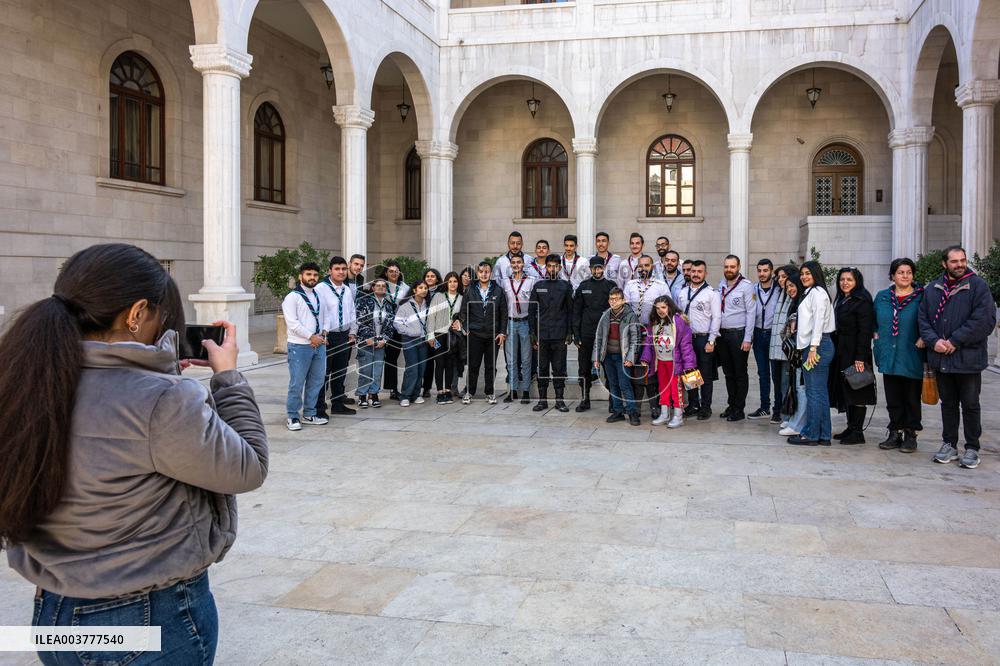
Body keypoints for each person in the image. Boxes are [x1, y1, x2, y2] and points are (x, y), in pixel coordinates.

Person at [0, 244, 266, 663]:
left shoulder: (21, 379)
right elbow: (248, 467)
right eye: (163, 318)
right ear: (137, 313)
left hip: (55, 614)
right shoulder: (162, 400)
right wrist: (228, 377)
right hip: (145, 614)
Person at [919, 245, 997, 469]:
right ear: (945, 264)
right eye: (954, 261)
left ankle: (972, 447)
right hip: (942, 358)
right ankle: (949, 444)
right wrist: (935, 341)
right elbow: (923, 319)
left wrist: (955, 341)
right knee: (948, 404)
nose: (960, 265)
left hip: (968, 359)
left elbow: (984, 320)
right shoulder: (933, 288)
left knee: (971, 404)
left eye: (962, 260)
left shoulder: (978, 286)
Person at [873, 258, 925, 453]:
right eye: (901, 272)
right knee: (893, 397)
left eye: (908, 272)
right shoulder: (883, 296)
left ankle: (911, 433)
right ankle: (895, 431)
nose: (905, 276)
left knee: (911, 397)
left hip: (910, 353)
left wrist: (923, 337)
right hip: (888, 353)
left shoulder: (921, 297)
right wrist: (876, 334)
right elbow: (872, 318)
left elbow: (930, 319)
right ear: (893, 275)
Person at [787, 260, 836, 446]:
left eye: (808, 273)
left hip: (818, 346)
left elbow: (818, 323)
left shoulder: (818, 293)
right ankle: (823, 434)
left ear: (816, 274)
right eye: (802, 273)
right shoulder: (810, 293)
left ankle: (811, 434)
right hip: (815, 345)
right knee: (819, 392)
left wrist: (813, 348)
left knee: (814, 392)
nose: (804, 277)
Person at [830, 267, 877, 445]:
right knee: (848, 390)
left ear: (857, 281)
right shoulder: (843, 299)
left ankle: (857, 432)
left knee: (858, 390)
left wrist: (860, 357)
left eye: (849, 279)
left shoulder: (862, 300)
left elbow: (865, 332)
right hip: (843, 351)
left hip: (856, 353)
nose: (845, 283)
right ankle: (850, 427)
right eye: (842, 279)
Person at [284, 262, 329, 430]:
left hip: (319, 344)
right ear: (300, 276)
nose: (312, 278)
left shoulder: (318, 295)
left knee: (316, 381)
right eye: (309, 274)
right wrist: (311, 337)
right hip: (300, 346)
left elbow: (326, 316)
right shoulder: (292, 297)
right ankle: (293, 416)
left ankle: (310, 413)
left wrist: (323, 333)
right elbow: (292, 323)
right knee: (297, 382)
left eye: (315, 275)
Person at [641, 295, 696, 428]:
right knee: (662, 388)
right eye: (658, 308)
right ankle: (664, 414)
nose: (660, 310)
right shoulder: (654, 323)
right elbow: (649, 342)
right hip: (660, 361)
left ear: (670, 307)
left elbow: (686, 345)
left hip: (674, 362)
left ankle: (678, 415)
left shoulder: (678, 322)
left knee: (675, 389)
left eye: (663, 307)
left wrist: (689, 365)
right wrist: (645, 358)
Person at [676, 259, 721, 420]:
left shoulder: (712, 293)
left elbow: (716, 318)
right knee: (690, 372)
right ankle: (694, 403)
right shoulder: (682, 292)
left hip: (703, 339)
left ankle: (706, 407)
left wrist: (711, 340)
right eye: (693, 271)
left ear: (705, 273)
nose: (695, 274)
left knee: (706, 375)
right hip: (687, 340)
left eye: (699, 271)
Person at [530, 254, 574, 412]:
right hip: (542, 334)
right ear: (546, 267)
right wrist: (532, 334)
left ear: (560, 268)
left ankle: (559, 400)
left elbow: (571, 310)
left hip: (560, 334)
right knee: (542, 368)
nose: (552, 268)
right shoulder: (538, 285)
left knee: (559, 368)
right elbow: (532, 311)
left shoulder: (566, 286)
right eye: (549, 266)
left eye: (555, 266)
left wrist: (570, 332)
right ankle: (542, 401)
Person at [459, 262, 508, 404]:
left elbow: (503, 314)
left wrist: (502, 332)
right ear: (477, 273)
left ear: (490, 273)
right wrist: (466, 327)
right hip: (474, 334)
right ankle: (469, 391)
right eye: (481, 271)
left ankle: (490, 393)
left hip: (492, 335)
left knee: (490, 366)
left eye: (486, 271)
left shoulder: (498, 290)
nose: (484, 274)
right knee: (473, 365)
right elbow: (463, 311)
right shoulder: (470, 290)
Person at [593, 287, 642, 426]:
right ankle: (618, 411)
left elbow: (635, 338)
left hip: (623, 356)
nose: (613, 302)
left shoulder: (630, 315)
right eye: (611, 299)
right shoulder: (605, 315)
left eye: (616, 299)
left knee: (625, 384)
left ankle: (633, 412)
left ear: (623, 300)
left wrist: (631, 358)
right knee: (613, 385)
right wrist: (596, 357)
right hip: (608, 356)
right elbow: (599, 338)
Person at [315, 256, 357, 416]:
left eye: (343, 269)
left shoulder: (346, 289)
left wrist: (353, 332)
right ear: (329, 271)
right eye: (337, 269)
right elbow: (317, 313)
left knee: (340, 372)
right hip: (327, 336)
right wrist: (320, 334)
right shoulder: (321, 288)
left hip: (344, 336)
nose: (341, 272)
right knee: (323, 373)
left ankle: (338, 404)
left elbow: (352, 312)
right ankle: (318, 406)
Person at [573, 256, 616, 412]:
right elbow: (576, 311)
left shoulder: (611, 286)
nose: (597, 270)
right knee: (583, 368)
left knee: (609, 367)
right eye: (594, 268)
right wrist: (575, 334)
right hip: (586, 334)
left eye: (599, 267)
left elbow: (616, 311)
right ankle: (585, 399)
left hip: (606, 335)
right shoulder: (583, 286)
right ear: (590, 269)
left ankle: (613, 401)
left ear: (603, 268)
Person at [716, 255, 755, 422]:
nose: (729, 270)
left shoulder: (746, 287)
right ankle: (731, 405)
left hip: (738, 335)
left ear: (738, 267)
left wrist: (747, 339)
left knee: (740, 373)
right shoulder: (721, 285)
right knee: (728, 373)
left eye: (732, 267)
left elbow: (751, 313)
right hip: (723, 335)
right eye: (726, 266)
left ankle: (739, 409)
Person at [354, 278, 395, 409]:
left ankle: (374, 394)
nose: (381, 288)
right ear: (373, 287)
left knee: (377, 370)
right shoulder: (364, 302)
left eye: (384, 286)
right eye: (378, 285)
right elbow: (359, 320)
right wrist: (367, 338)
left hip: (380, 342)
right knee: (366, 370)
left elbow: (391, 325)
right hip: (366, 342)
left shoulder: (388, 305)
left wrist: (385, 340)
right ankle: (362, 395)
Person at [779, 273, 810, 438]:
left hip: (803, 351)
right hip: (795, 353)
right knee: (795, 386)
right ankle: (793, 419)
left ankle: (798, 424)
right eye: (788, 286)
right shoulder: (794, 302)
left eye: (792, 285)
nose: (790, 289)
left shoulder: (803, 303)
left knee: (801, 387)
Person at [501, 254, 535, 403]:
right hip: (510, 323)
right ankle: (513, 390)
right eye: (513, 262)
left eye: (519, 262)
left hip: (525, 323)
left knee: (526, 359)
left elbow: (534, 305)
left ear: (523, 264)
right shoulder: (504, 282)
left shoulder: (531, 281)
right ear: (510, 265)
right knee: (511, 359)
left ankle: (526, 390)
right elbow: (502, 306)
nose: (516, 264)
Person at [749, 259, 780, 420]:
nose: (762, 273)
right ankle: (764, 407)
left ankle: (778, 409)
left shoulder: (779, 290)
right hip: (758, 334)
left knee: (777, 374)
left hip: (774, 335)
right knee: (763, 373)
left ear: (771, 271)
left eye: (765, 270)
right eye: (759, 270)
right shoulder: (753, 289)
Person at [393, 280, 432, 407]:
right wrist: (410, 332)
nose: (424, 290)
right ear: (414, 290)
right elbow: (397, 323)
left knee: (421, 369)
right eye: (421, 287)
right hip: (409, 340)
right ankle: (405, 395)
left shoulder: (428, 305)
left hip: (423, 340)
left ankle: (416, 394)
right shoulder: (405, 305)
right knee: (412, 368)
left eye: (426, 288)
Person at [428, 272, 464, 404]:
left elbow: (464, 317)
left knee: (450, 363)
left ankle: (448, 390)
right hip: (438, 335)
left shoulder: (461, 298)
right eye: (450, 281)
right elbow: (431, 317)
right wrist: (430, 335)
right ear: (446, 283)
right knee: (440, 363)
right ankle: (439, 392)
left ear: (458, 283)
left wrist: (460, 326)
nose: (453, 284)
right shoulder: (438, 296)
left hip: (452, 335)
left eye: (455, 281)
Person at [769, 265, 798, 427]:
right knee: (778, 383)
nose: (781, 280)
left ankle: (788, 417)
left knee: (787, 384)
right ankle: (780, 412)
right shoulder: (780, 293)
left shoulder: (794, 296)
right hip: (775, 348)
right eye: (779, 277)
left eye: (784, 276)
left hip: (787, 349)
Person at [381, 260, 409, 401]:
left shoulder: (405, 288)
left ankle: (393, 389)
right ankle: (370, 391)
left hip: (397, 328)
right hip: (381, 327)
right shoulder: (380, 286)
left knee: (392, 358)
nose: (394, 273)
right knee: (378, 358)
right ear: (386, 273)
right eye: (391, 271)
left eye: (396, 271)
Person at [624, 255, 669, 324]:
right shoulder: (630, 285)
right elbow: (626, 308)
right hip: (633, 326)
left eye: (647, 265)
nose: (643, 268)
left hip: (654, 327)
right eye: (640, 266)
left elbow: (668, 307)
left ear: (653, 267)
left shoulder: (661, 286)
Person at [421, 267, 445, 397]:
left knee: (439, 360)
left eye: (432, 276)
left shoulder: (442, 292)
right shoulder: (420, 292)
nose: (430, 278)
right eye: (427, 276)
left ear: (437, 279)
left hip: (438, 333)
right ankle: (426, 388)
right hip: (424, 333)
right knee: (427, 361)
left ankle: (443, 387)